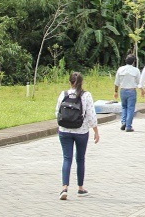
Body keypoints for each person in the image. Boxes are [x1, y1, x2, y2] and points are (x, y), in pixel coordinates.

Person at [56, 72, 99, 200]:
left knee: (66, 158)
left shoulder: (63, 94)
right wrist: (96, 131)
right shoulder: (86, 96)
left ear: (70, 82)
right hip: (81, 131)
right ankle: (80, 188)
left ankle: (64, 188)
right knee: (80, 159)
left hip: (64, 130)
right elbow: (91, 115)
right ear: (82, 82)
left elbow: (57, 112)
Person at [113, 54, 140, 132]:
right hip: (131, 91)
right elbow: (139, 82)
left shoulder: (120, 69)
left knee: (124, 107)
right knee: (131, 108)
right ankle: (128, 126)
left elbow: (116, 82)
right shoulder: (136, 70)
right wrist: (142, 89)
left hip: (123, 90)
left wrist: (115, 91)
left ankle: (123, 122)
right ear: (133, 62)